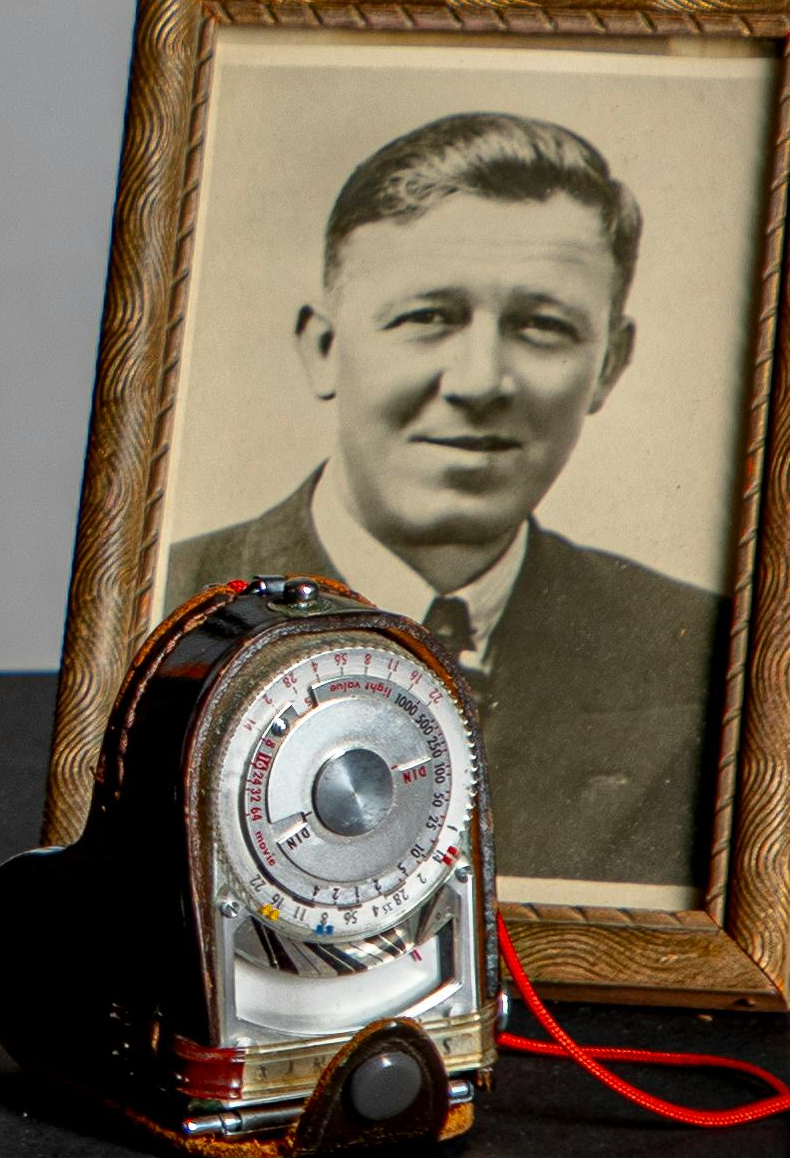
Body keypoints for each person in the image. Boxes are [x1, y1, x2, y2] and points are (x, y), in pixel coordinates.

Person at [164, 111, 725, 889]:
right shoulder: (166, 608)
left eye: (541, 325)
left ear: (608, 364)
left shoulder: (700, 651)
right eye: (426, 317)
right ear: (323, 346)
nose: (478, 381)